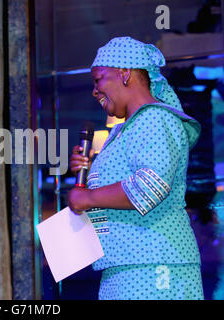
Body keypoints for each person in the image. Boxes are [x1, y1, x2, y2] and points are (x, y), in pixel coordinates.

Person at [68, 36, 204, 300]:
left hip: (155, 266)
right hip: (126, 265)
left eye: (98, 80)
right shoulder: (124, 130)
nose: (94, 91)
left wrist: (87, 197)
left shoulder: (154, 118)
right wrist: (87, 177)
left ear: (125, 74)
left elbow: (149, 187)